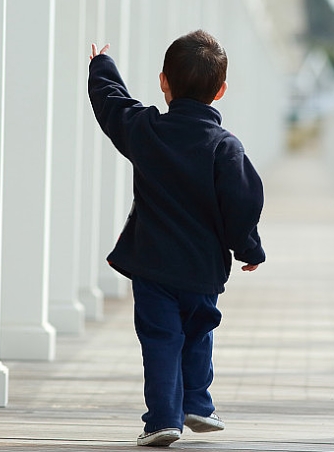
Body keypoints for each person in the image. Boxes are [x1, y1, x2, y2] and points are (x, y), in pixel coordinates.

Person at [88, 30, 265, 447]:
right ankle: (198, 404)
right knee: (198, 331)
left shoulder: (146, 131)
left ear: (164, 82)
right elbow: (243, 201)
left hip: (152, 265)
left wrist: (101, 67)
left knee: (161, 339)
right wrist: (248, 246)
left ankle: (163, 419)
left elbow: (113, 106)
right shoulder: (226, 148)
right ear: (220, 91)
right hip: (203, 269)